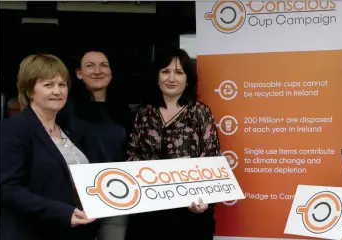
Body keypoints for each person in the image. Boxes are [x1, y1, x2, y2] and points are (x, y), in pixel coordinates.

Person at [0, 54, 97, 240]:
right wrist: (64, 212)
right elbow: (8, 190)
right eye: (48, 85)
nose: (57, 91)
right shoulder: (14, 128)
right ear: (29, 91)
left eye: (62, 84)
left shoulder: (68, 132)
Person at [124, 48, 220, 239]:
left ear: (188, 79)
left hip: (189, 210)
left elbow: (211, 159)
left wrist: (204, 200)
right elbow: (131, 155)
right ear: (157, 77)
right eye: (165, 71)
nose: (171, 78)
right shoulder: (143, 113)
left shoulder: (200, 113)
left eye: (179, 72)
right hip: (149, 209)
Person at [57, 49, 132, 240]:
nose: (97, 71)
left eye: (103, 65)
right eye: (89, 66)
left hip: (117, 195)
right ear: (78, 73)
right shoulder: (64, 109)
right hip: (76, 197)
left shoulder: (123, 110)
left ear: (111, 73)